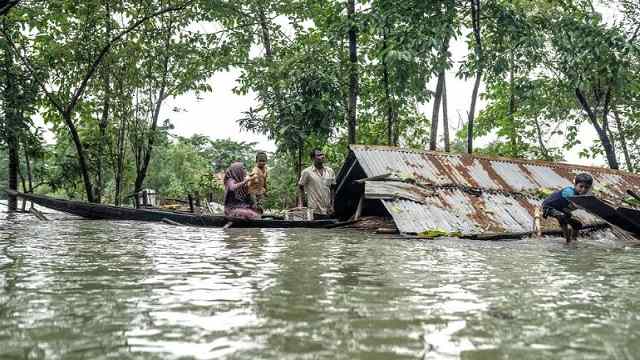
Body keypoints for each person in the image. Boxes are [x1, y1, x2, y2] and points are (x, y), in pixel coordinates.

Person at [542, 173, 593, 243]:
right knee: (562, 217)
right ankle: (567, 241)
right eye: (581, 186)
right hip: (549, 207)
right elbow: (575, 204)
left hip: (562, 210)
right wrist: (588, 207)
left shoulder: (582, 197)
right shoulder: (569, 191)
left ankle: (574, 240)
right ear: (575, 185)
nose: (583, 189)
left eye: (586, 187)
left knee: (577, 224)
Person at [298, 148, 336, 219]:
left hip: (327, 210)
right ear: (313, 158)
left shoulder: (330, 171)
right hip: (313, 210)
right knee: (314, 229)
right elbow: (300, 187)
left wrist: (332, 205)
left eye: (322, 154)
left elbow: (333, 189)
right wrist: (300, 203)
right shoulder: (307, 172)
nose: (322, 156)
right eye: (319, 155)